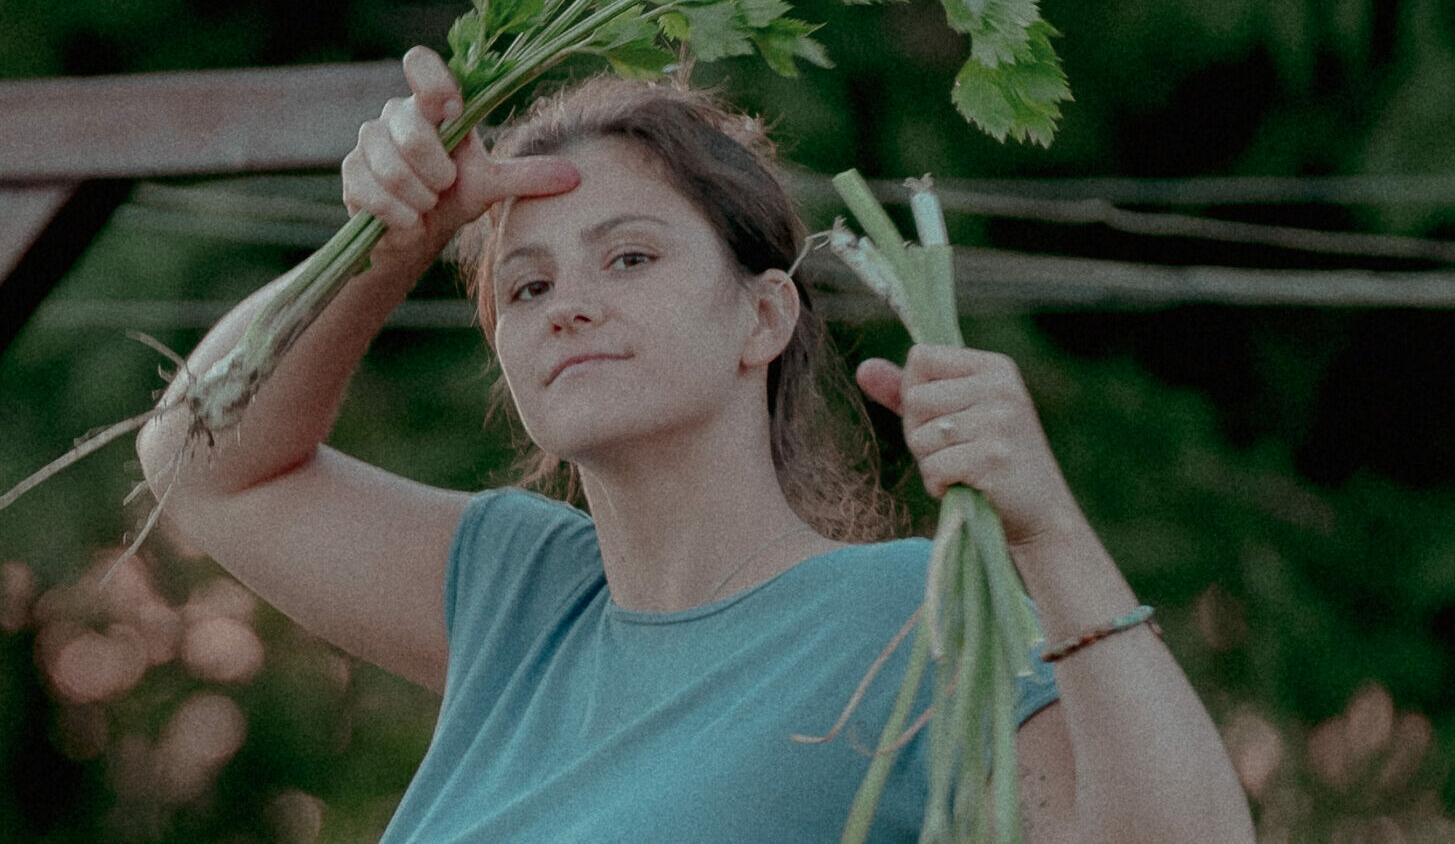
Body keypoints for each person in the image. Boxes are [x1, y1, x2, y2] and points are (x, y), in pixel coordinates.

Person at [135, 47, 1253, 843]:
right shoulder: (515, 598)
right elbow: (195, 460)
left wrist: (1045, 526)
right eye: (527, 286)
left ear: (763, 316)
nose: (570, 304)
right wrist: (389, 243)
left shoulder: (907, 619)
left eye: (629, 258)